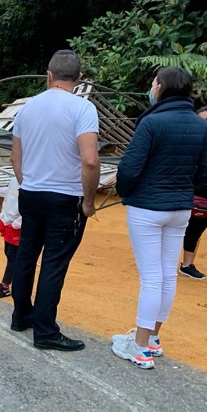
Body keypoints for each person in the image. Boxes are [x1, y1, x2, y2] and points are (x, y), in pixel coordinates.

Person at [112, 67, 207, 369]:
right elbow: (204, 173)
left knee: (152, 277)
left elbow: (129, 168)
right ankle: (152, 338)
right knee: (166, 274)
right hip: (181, 208)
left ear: (162, 87)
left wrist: (127, 191)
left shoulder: (151, 122)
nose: (151, 87)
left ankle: (139, 348)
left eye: (154, 83)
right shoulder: (200, 125)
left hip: (148, 208)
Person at [9, 49, 100, 352]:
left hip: (31, 194)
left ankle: (21, 316)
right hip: (66, 198)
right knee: (53, 264)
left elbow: (15, 157)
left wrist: (29, 183)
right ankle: (46, 331)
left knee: (26, 256)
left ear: (48, 76)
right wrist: (88, 202)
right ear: (79, 78)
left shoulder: (27, 108)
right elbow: (89, 161)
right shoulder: (82, 109)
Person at [179, 106, 207, 280]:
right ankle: (183, 264)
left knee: (196, 230)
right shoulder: (187, 144)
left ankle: (187, 265)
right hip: (188, 195)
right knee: (187, 230)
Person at [0, 178, 21, 299]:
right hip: (8, 220)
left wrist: (19, 222)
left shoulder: (32, 181)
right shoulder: (14, 180)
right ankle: (13, 282)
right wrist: (3, 216)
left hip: (17, 224)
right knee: (8, 253)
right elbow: (8, 198)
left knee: (13, 256)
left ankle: (5, 286)